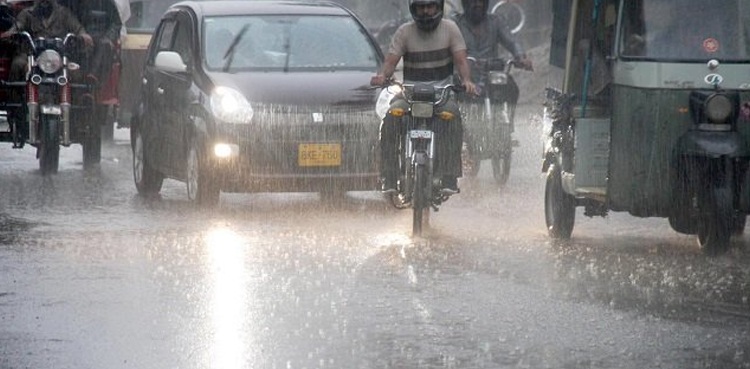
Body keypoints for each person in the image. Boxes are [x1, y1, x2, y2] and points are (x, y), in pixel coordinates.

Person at [370, 0, 477, 194]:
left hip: (442, 95)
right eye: (421, 7)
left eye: (430, 6)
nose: (426, 11)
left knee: (453, 117)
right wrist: (383, 76)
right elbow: (390, 62)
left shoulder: (451, 29)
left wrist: (467, 80)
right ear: (414, 9)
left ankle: (449, 177)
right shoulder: (404, 32)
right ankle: (390, 176)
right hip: (409, 94)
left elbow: (461, 60)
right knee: (391, 118)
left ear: (439, 7)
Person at [0, 0, 93, 83]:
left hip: (57, 56)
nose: (44, 1)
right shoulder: (27, 14)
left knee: (74, 72)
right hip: (30, 55)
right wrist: (10, 34)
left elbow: (78, 29)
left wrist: (84, 36)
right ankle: (14, 98)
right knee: (18, 64)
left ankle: (78, 98)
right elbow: (17, 27)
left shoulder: (64, 14)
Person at [62, 0, 121, 83]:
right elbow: (69, 19)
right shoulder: (72, 3)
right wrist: (81, 34)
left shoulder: (107, 3)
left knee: (104, 47)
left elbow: (116, 23)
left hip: (101, 38)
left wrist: (109, 38)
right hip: (78, 38)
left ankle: (92, 78)